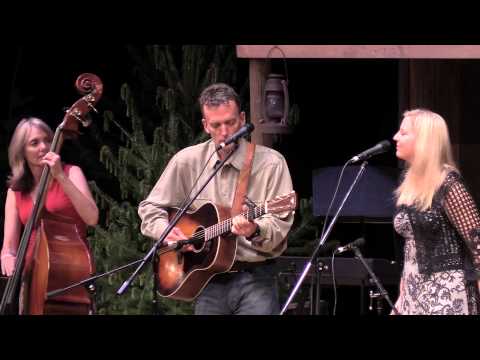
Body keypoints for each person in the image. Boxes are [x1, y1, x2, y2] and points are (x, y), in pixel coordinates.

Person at [138, 83, 294, 315]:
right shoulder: (187, 161)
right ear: (205, 125)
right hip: (207, 279)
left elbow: (279, 225)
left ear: (242, 119)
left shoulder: (271, 163)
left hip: (255, 279)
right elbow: (150, 207)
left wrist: (254, 229)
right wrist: (167, 230)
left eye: (230, 122)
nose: (224, 132)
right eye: (216, 125)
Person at [1, 117, 99, 313]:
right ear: (22, 151)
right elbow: (9, 247)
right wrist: (7, 257)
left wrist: (60, 177)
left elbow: (92, 218)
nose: (44, 147)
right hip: (32, 277)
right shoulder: (16, 191)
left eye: (47, 140)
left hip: (70, 271)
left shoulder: (71, 173)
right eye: (34, 143)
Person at [391, 108, 480, 315]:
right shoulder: (408, 183)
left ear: (423, 140)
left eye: (403, 133)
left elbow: (477, 242)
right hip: (414, 291)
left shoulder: (448, 183)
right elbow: (412, 246)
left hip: (447, 292)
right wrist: (402, 294)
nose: (396, 137)